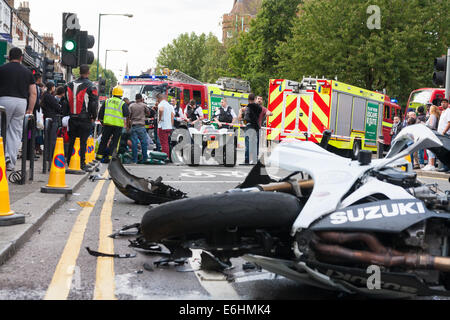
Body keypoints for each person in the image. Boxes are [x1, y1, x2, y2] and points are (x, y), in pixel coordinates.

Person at [0, 47, 37, 171]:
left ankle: (2, 157)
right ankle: (10, 163)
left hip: (3, 101)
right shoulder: (27, 72)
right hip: (21, 102)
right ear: (21, 58)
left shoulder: (2, 69)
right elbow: (33, 93)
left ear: (9, 57)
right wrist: (30, 109)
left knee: (1, 130)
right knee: (15, 133)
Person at [64, 64, 98, 171]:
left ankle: (69, 161)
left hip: (72, 117)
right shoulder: (91, 86)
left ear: (79, 72)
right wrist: (94, 116)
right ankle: (82, 164)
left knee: (72, 141)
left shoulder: (69, 85)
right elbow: (93, 103)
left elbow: (65, 102)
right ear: (88, 72)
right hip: (85, 118)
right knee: (83, 141)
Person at [97, 85, 129, 163]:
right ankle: (111, 158)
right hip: (118, 126)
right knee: (114, 142)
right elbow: (126, 114)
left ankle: (99, 157)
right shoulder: (122, 103)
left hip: (107, 125)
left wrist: (102, 122)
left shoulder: (107, 101)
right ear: (121, 94)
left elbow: (100, 113)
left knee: (104, 141)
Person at [41, 81, 62, 161]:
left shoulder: (45, 95)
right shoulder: (49, 96)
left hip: (47, 117)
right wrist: (60, 108)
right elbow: (57, 107)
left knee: (47, 138)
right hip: (52, 118)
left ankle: (47, 155)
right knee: (52, 138)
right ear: (52, 87)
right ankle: (50, 156)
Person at [240, 94, 262, 165]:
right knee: (254, 144)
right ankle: (255, 160)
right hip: (256, 127)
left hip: (249, 126)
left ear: (249, 100)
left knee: (248, 144)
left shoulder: (248, 107)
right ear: (255, 99)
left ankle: (247, 160)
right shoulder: (259, 107)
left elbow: (246, 117)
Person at [128, 93, 150, 164]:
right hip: (141, 126)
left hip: (133, 126)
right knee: (144, 143)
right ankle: (144, 159)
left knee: (134, 144)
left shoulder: (131, 106)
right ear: (141, 99)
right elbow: (148, 113)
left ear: (135, 98)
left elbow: (129, 116)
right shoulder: (144, 105)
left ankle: (134, 160)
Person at [423, 106, 441, 171]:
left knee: (430, 150)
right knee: (430, 150)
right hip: (433, 133)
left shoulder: (432, 116)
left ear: (432, 109)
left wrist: (424, 124)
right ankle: (430, 164)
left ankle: (431, 164)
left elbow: (431, 126)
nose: (429, 109)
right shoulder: (435, 115)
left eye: (430, 108)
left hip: (431, 133)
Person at [157, 93, 175, 157]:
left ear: (159, 98)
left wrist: (160, 119)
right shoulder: (169, 105)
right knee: (166, 142)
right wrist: (171, 125)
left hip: (162, 126)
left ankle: (165, 156)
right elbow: (172, 115)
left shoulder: (161, 104)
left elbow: (161, 110)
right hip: (168, 126)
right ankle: (167, 156)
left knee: (163, 143)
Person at [437, 99, 450, 173]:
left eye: (445, 102)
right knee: (444, 152)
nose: (443, 104)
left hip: (446, 134)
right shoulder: (443, 112)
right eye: (442, 102)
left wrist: (444, 131)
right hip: (441, 134)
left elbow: (449, 122)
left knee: (447, 152)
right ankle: (445, 167)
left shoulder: (448, 111)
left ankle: (447, 167)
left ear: (447, 104)